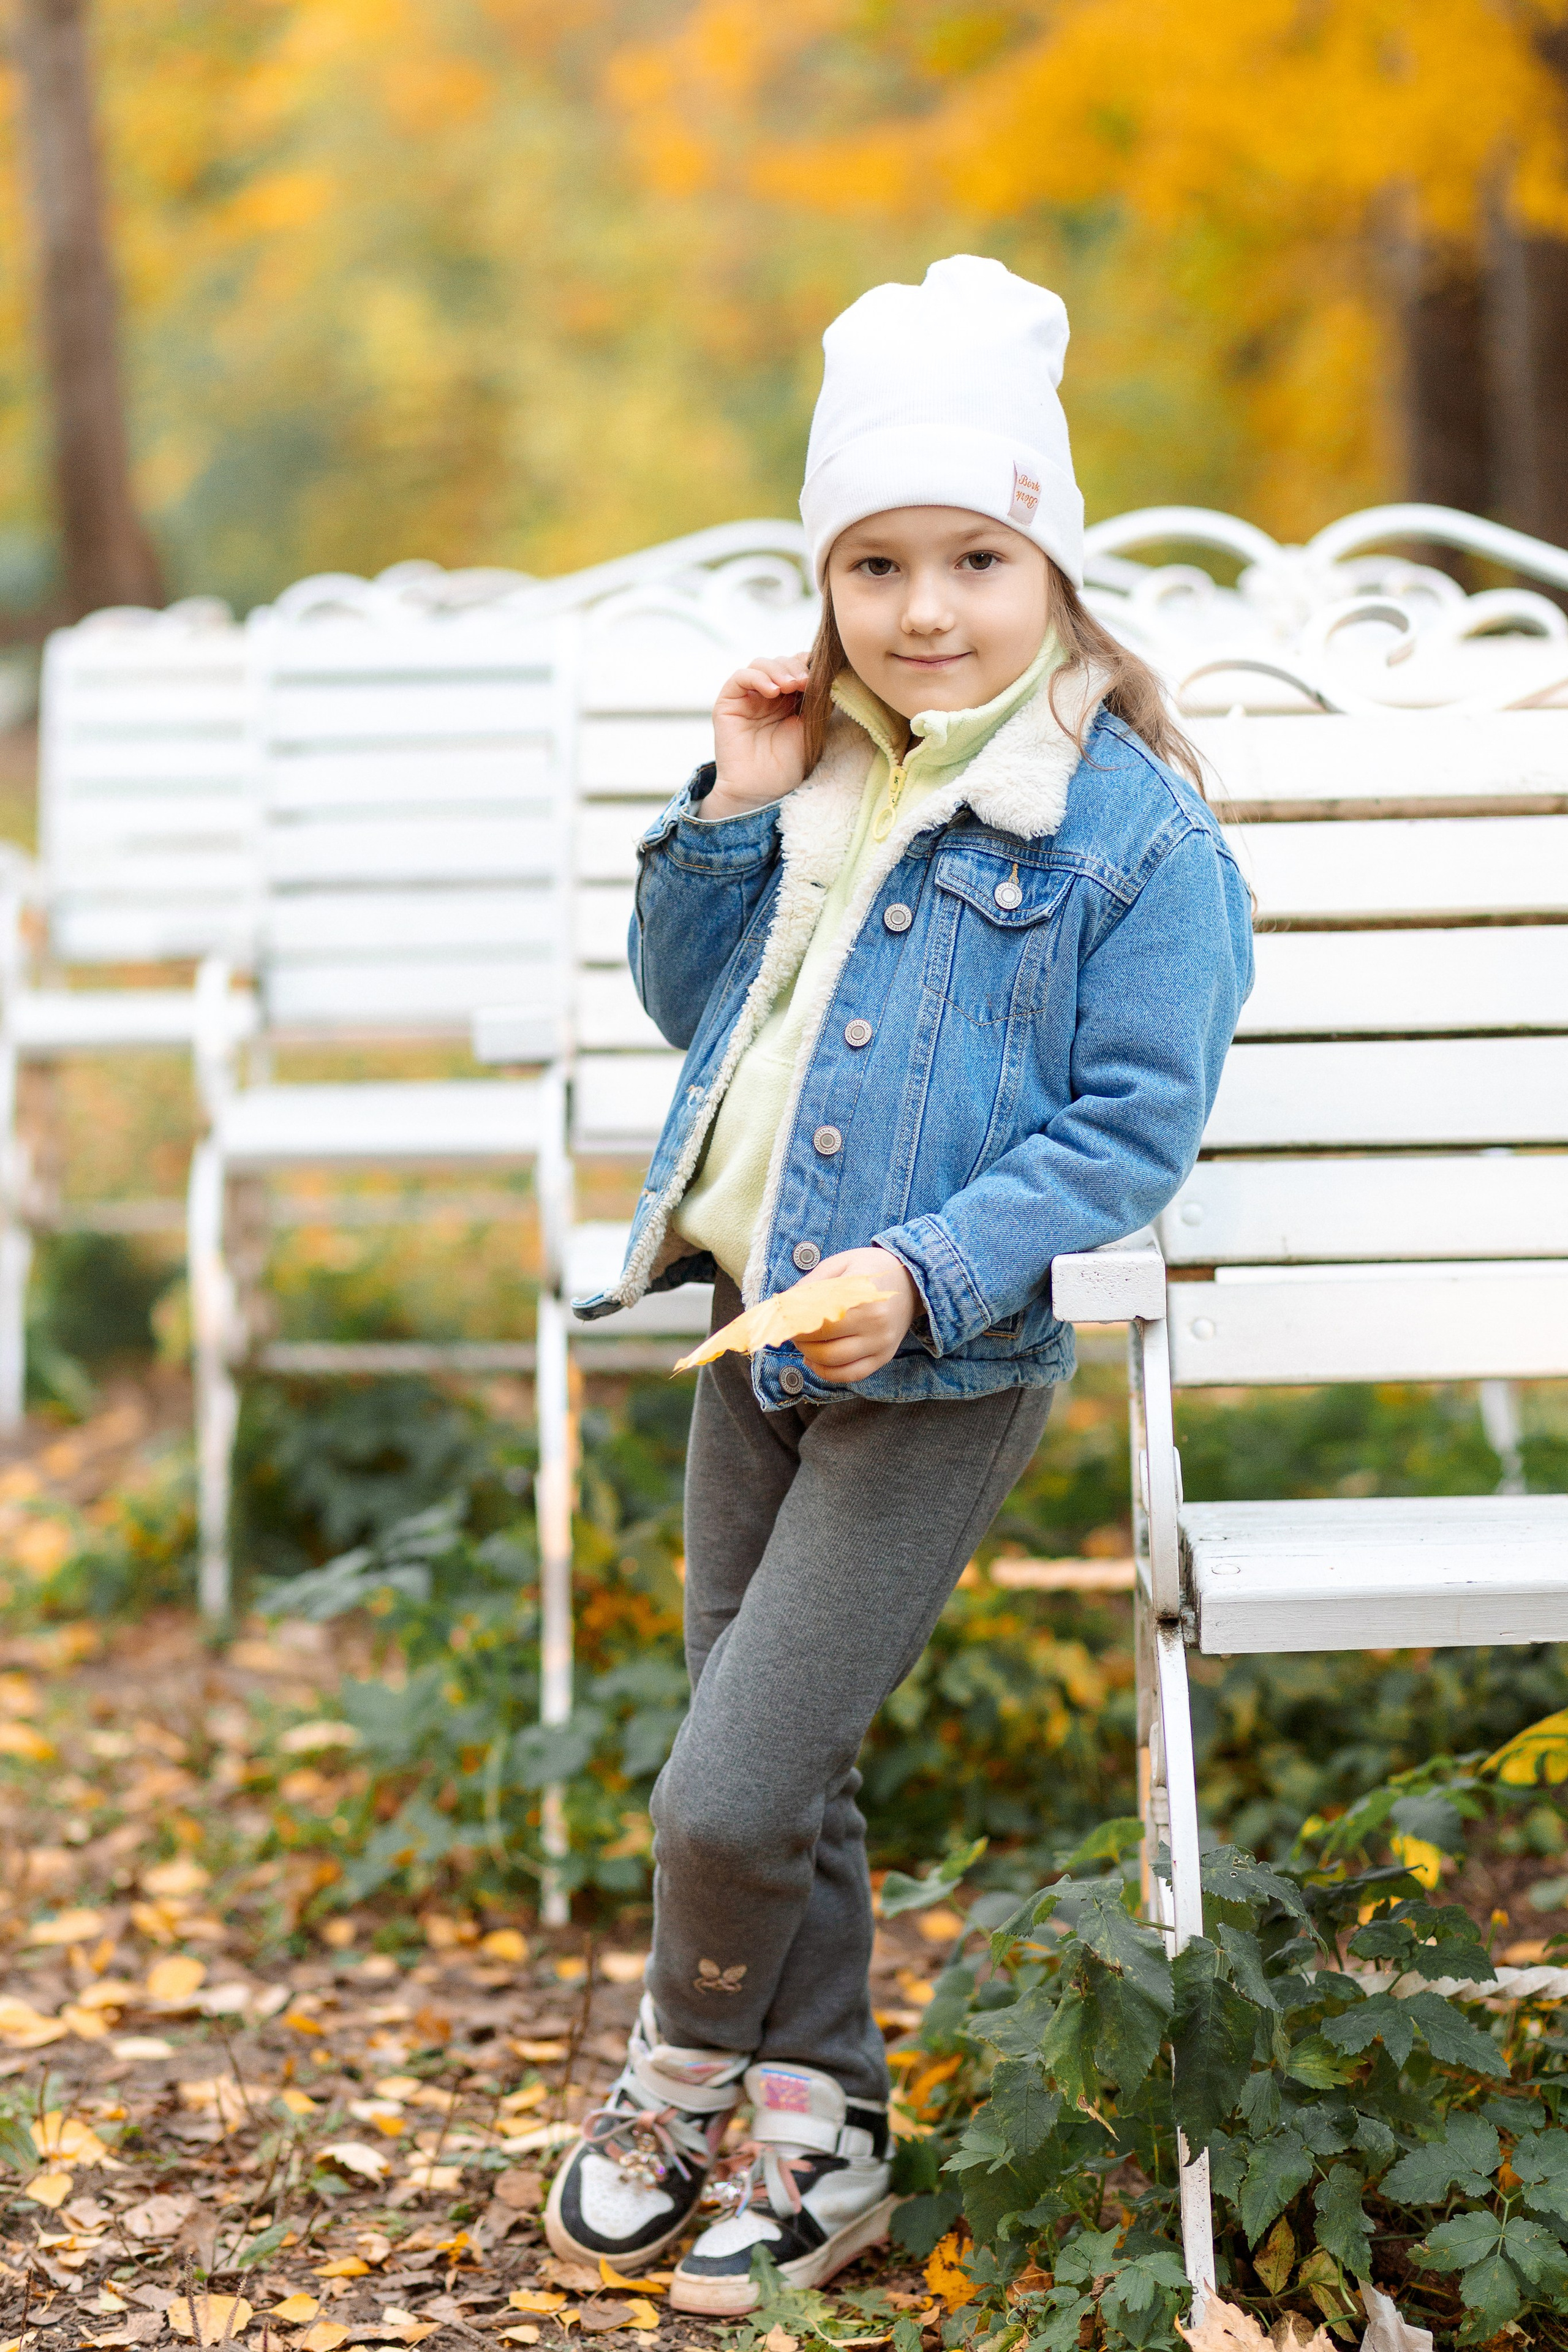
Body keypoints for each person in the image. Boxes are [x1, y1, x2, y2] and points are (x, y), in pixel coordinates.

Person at [548, 255, 1254, 2313]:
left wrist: (924, 1274)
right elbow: (700, 1016)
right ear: (826, 579)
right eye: (873, 564)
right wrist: (734, 815)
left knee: (730, 1783)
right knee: (790, 1755)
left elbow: (1130, 1130)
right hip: (740, 1335)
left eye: (973, 557)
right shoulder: (837, 774)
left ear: (1054, 563)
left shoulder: (1129, 837)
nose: (923, 609)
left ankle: (682, 2065)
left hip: (933, 1367)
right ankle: (823, 2126)